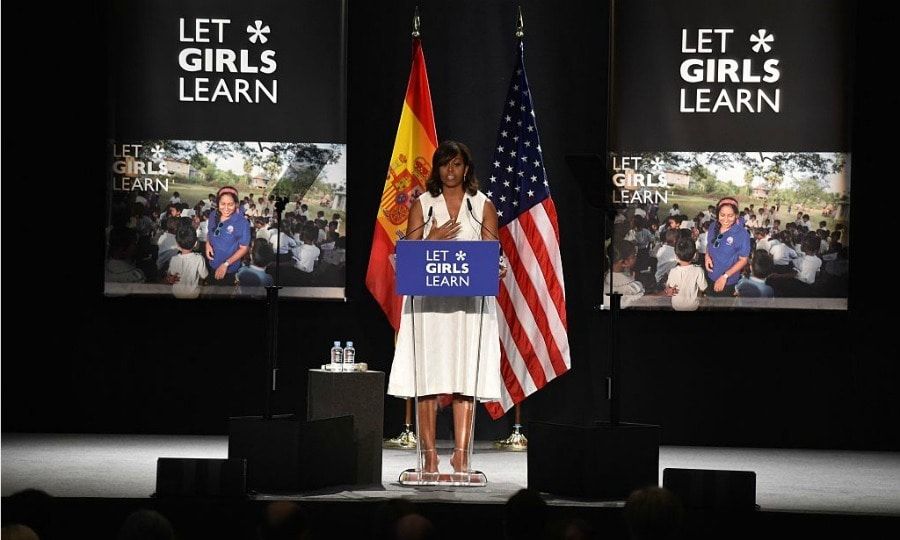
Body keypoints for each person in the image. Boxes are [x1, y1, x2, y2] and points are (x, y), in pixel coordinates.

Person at [387, 140, 506, 476]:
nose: (450, 171)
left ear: (467, 169)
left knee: (463, 377)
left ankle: (461, 456)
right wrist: (431, 241)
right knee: (428, 377)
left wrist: (497, 265)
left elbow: (491, 253)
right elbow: (406, 256)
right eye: (444, 164)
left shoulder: (481, 206)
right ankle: (428, 457)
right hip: (429, 309)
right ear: (437, 169)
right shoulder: (423, 205)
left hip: (467, 309)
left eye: (456, 164)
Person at [704, 196, 751, 297]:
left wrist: (724, 277)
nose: (725, 220)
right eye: (722, 215)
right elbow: (709, 243)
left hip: (727, 281)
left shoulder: (742, 234)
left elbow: (743, 260)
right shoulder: (713, 226)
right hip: (710, 275)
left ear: (736, 215)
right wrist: (707, 256)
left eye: (730, 215)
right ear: (717, 214)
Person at [205, 186, 251, 285]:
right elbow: (210, 231)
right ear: (217, 204)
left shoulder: (242, 223)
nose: (226, 208)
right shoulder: (213, 215)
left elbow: (244, 248)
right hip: (212, 263)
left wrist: (225, 264)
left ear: (236, 205)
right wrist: (208, 243)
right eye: (222, 204)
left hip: (229, 269)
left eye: (230, 204)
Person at [665, 237, 707, 311]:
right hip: (693, 307)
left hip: (676, 306)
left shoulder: (673, 271)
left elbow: (669, 287)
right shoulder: (698, 270)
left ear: (676, 256)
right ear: (694, 255)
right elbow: (703, 287)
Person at [167, 224, 208, 299]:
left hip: (177, 294)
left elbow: (171, 276)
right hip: (194, 295)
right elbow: (204, 275)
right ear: (195, 243)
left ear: (177, 244)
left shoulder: (174, 259)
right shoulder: (199, 259)